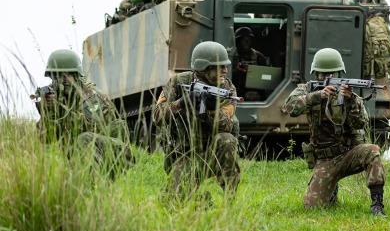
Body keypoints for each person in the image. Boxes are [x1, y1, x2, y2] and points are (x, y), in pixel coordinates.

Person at [281, 48, 386, 215]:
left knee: (372, 151)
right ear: (315, 74)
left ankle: (377, 205)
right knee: (312, 207)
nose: (327, 79)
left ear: (339, 73)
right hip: (325, 160)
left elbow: (361, 123)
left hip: (349, 154)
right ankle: (331, 190)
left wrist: (351, 101)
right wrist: (318, 96)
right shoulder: (308, 89)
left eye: (331, 75)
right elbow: (289, 107)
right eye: (322, 75)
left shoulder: (348, 94)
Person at [153, 41, 240, 199]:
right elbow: (157, 116)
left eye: (226, 66)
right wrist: (181, 103)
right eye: (220, 67)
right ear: (204, 68)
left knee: (227, 140)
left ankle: (230, 197)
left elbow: (227, 124)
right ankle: (202, 200)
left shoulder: (227, 89)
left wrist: (208, 110)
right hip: (184, 154)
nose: (225, 70)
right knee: (173, 200)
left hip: (213, 153)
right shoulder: (178, 83)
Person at [33, 49, 133, 177]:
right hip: (84, 159)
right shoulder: (58, 99)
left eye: (65, 76)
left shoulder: (92, 96)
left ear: (76, 75)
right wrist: (49, 112)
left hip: (116, 154)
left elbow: (91, 128)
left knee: (84, 138)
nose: (60, 81)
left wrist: (62, 111)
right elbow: (44, 139)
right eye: (56, 76)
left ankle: (92, 187)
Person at [231, 26, 269, 100]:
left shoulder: (259, 56)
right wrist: (236, 71)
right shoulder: (231, 57)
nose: (247, 42)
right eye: (244, 40)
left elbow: (267, 78)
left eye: (249, 39)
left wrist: (254, 71)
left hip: (256, 96)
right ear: (238, 41)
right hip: (235, 95)